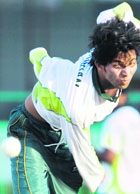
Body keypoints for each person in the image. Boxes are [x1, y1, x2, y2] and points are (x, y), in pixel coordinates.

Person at [7, 2, 140, 194]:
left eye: (132, 63)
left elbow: (107, 22)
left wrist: (123, 14)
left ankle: (43, 63)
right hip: (32, 130)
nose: (126, 73)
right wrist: (97, 176)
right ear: (100, 64)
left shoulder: (108, 48)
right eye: (119, 66)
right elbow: (83, 150)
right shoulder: (80, 104)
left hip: (60, 134)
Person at [96, 92, 140, 194]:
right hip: (135, 187)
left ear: (123, 96)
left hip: (115, 188)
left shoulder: (116, 118)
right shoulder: (136, 116)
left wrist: (89, 151)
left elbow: (109, 156)